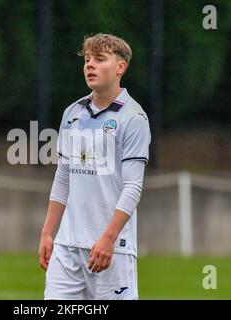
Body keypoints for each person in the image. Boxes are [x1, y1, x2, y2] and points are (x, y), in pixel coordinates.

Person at [38, 33, 151, 300]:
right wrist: (47, 232)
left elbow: (133, 187)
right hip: (66, 248)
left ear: (120, 67)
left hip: (112, 250)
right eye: (88, 59)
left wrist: (109, 239)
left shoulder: (133, 118)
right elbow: (63, 178)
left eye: (100, 59)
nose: (90, 65)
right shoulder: (72, 113)